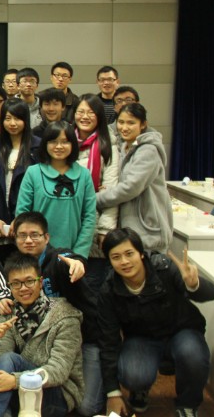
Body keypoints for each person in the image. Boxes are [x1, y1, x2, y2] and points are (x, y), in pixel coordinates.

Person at [98, 228, 214, 417]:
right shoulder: (109, 290)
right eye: (116, 257)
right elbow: (108, 341)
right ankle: (139, 390)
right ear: (110, 262)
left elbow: (212, 294)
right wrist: (113, 393)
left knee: (193, 356)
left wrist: (194, 285)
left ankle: (188, 404)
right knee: (133, 373)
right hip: (142, 339)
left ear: (141, 253)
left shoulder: (164, 268)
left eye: (129, 254)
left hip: (181, 331)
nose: (124, 261)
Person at [0, 253, 84, 417]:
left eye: (29, 281)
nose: (23, 288)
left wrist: (14, 381)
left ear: (40, 282)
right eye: (16, 283)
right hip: (20, 388)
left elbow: (58, 371)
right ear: (9, 287)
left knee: (10, 360)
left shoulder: (65, 316)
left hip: (56, 393)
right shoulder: (10, 313)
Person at [10, 211, 103, 416]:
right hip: (51, 341)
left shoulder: (57, 260)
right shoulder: (20, 266)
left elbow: (68, 259)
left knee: (87, 407)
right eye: (22, 235)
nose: (28, 240)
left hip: (87, 337)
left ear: (46, 237)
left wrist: (76, 263)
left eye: (34, 235)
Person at [96, 103, 172, 253]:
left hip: (148, 232)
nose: (124, 127)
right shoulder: (124, 147)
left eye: (131, 123)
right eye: (121, 122)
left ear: (143, 124)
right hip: (130, 229)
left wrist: (95, 199)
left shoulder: (148, 150)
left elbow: (130, 187)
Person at [15, 121, 97, 258]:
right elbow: (22, 213)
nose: (59, 146)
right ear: (45, 144)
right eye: (53, 141)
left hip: (73, 253)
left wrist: (78, 254)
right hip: (37, 253)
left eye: (65, 142)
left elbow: (89, 217)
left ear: (73, 144)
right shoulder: (33, 173)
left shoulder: (84, 175)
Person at [0, 98, 39, 262]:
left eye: (17, 118)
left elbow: (38, 190)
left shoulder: (37, 148)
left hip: (27, 222)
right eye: (8, 118)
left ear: (26, 120)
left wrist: (22, 219)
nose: (12, 123)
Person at [73, 94, 119, 289]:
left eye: (91, 112)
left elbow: (111, 193)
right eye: (80, 112)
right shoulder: (64, 142)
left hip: (95, 222)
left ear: (99, 116)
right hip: (69, 221)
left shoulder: (108, 146)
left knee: (92, 285)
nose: (85, 116)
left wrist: (105, 230)